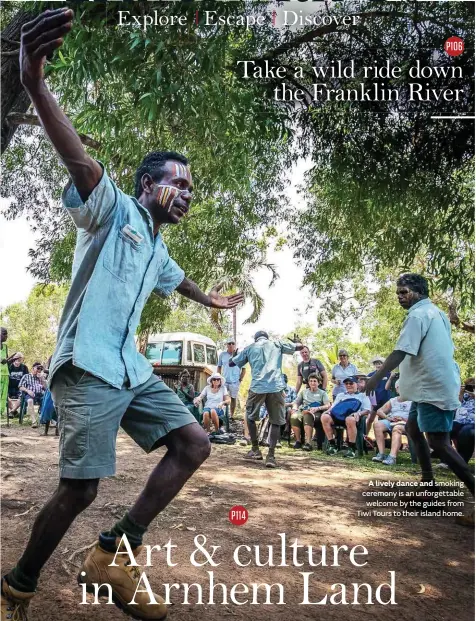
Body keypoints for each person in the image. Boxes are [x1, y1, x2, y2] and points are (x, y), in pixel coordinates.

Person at [1, 9, 244, 620]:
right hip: (86, 363)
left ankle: (114, 552)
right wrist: (34, 81)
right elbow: (81, 163)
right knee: (81, 488)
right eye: (176, 184)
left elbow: (174, 277)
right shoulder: (113, 210)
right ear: (144, 183)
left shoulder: (158, 245)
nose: (185, 194)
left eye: (191, 187)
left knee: (193, 442)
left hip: (130, 366)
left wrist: (208, 299)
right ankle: (19, 583)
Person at [366, 274, 475, 503]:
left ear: (419, 292)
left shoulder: (418, 315)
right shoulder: (436, 313)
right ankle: (428, 487)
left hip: (431, 388)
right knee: (413, 428)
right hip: (427, 387)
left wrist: (376, 378)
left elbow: (401, 351)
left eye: (404, 292)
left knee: (439, 443)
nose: (399, 297)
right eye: (397, 293)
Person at [229, 331, 303, 468]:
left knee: (250, 417)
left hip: (258, 387)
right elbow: (299, 347)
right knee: (276, 421)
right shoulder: (277, 344)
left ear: (256, 338)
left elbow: (232, 364)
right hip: (276, 387)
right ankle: (271, 455)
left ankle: (255, 449)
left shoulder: (250, 348)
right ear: (267, 338)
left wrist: (234, 356)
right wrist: (298, 342)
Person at [321, 376, 371, 458]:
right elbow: (333, 406)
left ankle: (351, 448)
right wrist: (327, 411)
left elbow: (367, 410)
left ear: (356, 384)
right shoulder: (341, 395)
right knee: (324, 417)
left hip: (353, 418)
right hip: (338, 416)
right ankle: (332, 445)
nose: (348, 385)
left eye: (351, 383)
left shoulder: (362, 396)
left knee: (350, 419)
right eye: (346, 383)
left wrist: (359, 414)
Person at [372, 383, 412, 465]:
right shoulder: (393, 400)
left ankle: (392, 457)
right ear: (396, 389)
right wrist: (388, 418)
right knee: (377, 425)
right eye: (399, 387)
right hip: (392, 421)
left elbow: (418, 416)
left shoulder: (412, 401)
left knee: (397, 428)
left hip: (407, 423)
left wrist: (404, 419)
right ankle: (381, 454)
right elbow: (379, 411)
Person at [290, 373, 330, 451]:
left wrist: (317, 408)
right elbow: (296, 402)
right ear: (308, 382)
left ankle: (308, 443)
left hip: (317, 413)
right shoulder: (304, 392)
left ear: (318, 383)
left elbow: (327, 405)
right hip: (303, 410)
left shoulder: (322, 393)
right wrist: (294, 408)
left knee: (307, 416)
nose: (312, 383)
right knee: (294, 417)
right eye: (311, 381)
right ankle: (298, 441)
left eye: (315, 381)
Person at [217, 338, 245, 419]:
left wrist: (240, 379)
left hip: (235, 382)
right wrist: (219, 378)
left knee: (233, 398)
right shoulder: (222, 354)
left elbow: (244, 369)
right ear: (227, 345)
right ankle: (221, 415)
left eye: (233, 343)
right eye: (229, 343)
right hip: (224, 381)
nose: (231, 345)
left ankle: (231, 415)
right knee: (222, 397)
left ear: (235, 345)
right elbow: (219, 367)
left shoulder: (240, 355)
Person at [450, 378, 475, 464]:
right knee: (447, 428)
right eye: (468, 386)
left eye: (473, 386)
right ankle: (446, 459)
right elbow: (455, 406)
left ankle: (462, 461)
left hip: (472, 422)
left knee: (465, 432)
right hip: (459, 420)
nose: (471, 388)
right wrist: (461, 394)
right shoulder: (465, 396)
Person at [365, 356, 391, 434]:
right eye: (376, 363)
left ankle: (385, 438)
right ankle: (365, 435)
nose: (378, 365)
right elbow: (367, 387)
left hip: (385, 400)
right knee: (370, 419)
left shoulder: (388, 374)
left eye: (380, 363)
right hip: (374, 400)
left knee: (384, 419)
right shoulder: (370, 375)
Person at [18, 362, 47, 429]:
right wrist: (28, 391)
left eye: (41, 369)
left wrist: (43, 380)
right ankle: (34, 421)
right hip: (30, 394)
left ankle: (45, 419)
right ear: (33, 368)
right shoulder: (26, 376)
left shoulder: (41, 377)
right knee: (30, 401)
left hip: (40, 394)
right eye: (38, 368)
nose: (39, 370)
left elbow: (46, 389)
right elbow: (20, 386)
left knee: (47, 400)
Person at [0, 327, 10, 416]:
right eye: (4, 334)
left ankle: (0, 411)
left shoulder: (6, 347)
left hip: (5, 373)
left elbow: (6, 361)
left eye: (6, 334)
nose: (6, 336)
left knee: (3, 395)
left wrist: (12, 359)